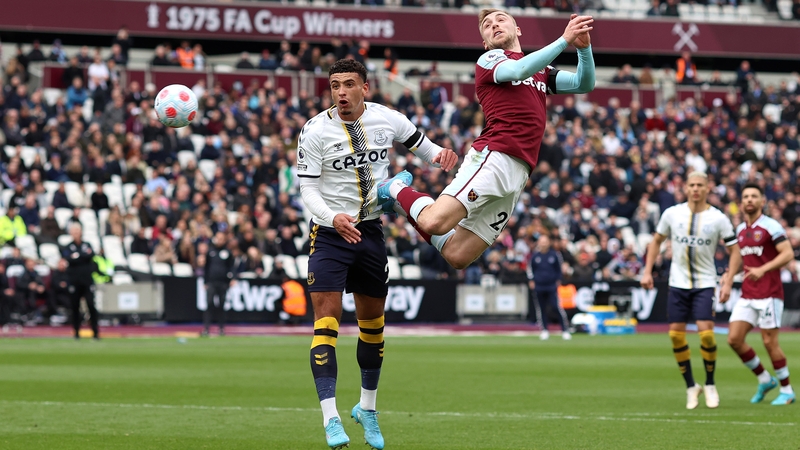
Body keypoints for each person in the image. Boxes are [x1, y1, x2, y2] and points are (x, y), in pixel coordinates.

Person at [296, 58, 457, 450]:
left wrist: (440, 156)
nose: (341, 92)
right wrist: (333, 218)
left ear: (365, 87)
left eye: (349, 84)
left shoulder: (387, 118)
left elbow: (421, 144)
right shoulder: (315, 131)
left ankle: (367, 408)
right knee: (327, 324)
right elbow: (307, 190)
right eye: (335, 85)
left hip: (370, 232)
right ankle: (331, 417)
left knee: (373, 326)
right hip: (331, 233)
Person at [377, 10, 594, 272]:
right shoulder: (490, 59)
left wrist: (584, 49)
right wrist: (563, 39)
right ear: (485, 43)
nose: (494, 25)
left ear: (518, 29)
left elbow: (584, 83)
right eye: (488, 25)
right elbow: (520, 68)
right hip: (495, 157)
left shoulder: (542, 70)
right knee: (435, 223)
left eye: (501, 20)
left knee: (458, 255)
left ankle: (402, 205)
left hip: (519, 173)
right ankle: (396, 188)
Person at [640, 172, 741, 410]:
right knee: (675, 335)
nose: (696, 189)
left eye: (700, 185)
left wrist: (728, 282)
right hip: (678, 283)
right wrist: (647, 271)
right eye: (692, 185)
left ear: (708, 188)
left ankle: (710, 383)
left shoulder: (718, 218)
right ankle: (690, 386)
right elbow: (655, 241)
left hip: (705, 282)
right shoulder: (672, 214)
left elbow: (735, 250)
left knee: (706, 332)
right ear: (685, 188)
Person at [721, 184, 796, 405]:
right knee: (734, 339)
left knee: (769, 342)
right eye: (746, 197)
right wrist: (727, 278)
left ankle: (787, 390)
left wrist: (763, 269)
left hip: (770, 294)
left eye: (754, 196)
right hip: (748, 294)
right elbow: (739, 260)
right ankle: (765, 379)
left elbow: (788, 254)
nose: (749, 200)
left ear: (763, 201)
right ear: (741, 203)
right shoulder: (740, 231)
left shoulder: (771, 226)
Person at [61, 223, 100, 339]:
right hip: (74, 281)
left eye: (78, 231)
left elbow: (91, 255)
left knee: (91, 306)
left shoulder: (87, 244)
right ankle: (76, 332)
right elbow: (68, 259)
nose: (76, 234)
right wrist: (82, 257)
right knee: (75, 307)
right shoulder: (68, 247)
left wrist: (77, 257)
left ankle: (95, 332)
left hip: (87, 281)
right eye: (74, 231)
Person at [528, 235, 570, 340]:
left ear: (549, 242)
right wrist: (531, 280)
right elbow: (530, 270)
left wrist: (558, 280)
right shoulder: (535, 256)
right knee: (541, 309)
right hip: (539, 285)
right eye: (541, 241)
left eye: (545, 241)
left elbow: (558, 269)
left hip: (551, 285)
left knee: (556, 307)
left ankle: (565, 330)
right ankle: (544, 330)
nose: (543, 244)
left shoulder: (554, 255)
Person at [202, 231, 236, 337]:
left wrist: (232, 279)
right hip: (211, 282)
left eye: (221, 238)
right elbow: (206, 268)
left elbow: (232, 267)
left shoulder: (228, 253)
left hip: (223, 283)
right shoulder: (210, 251)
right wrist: (205, 281)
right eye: (218, 238)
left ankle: (221, 329)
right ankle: (206, 328)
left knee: (221, 305)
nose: (219, 240)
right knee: (209, 304)